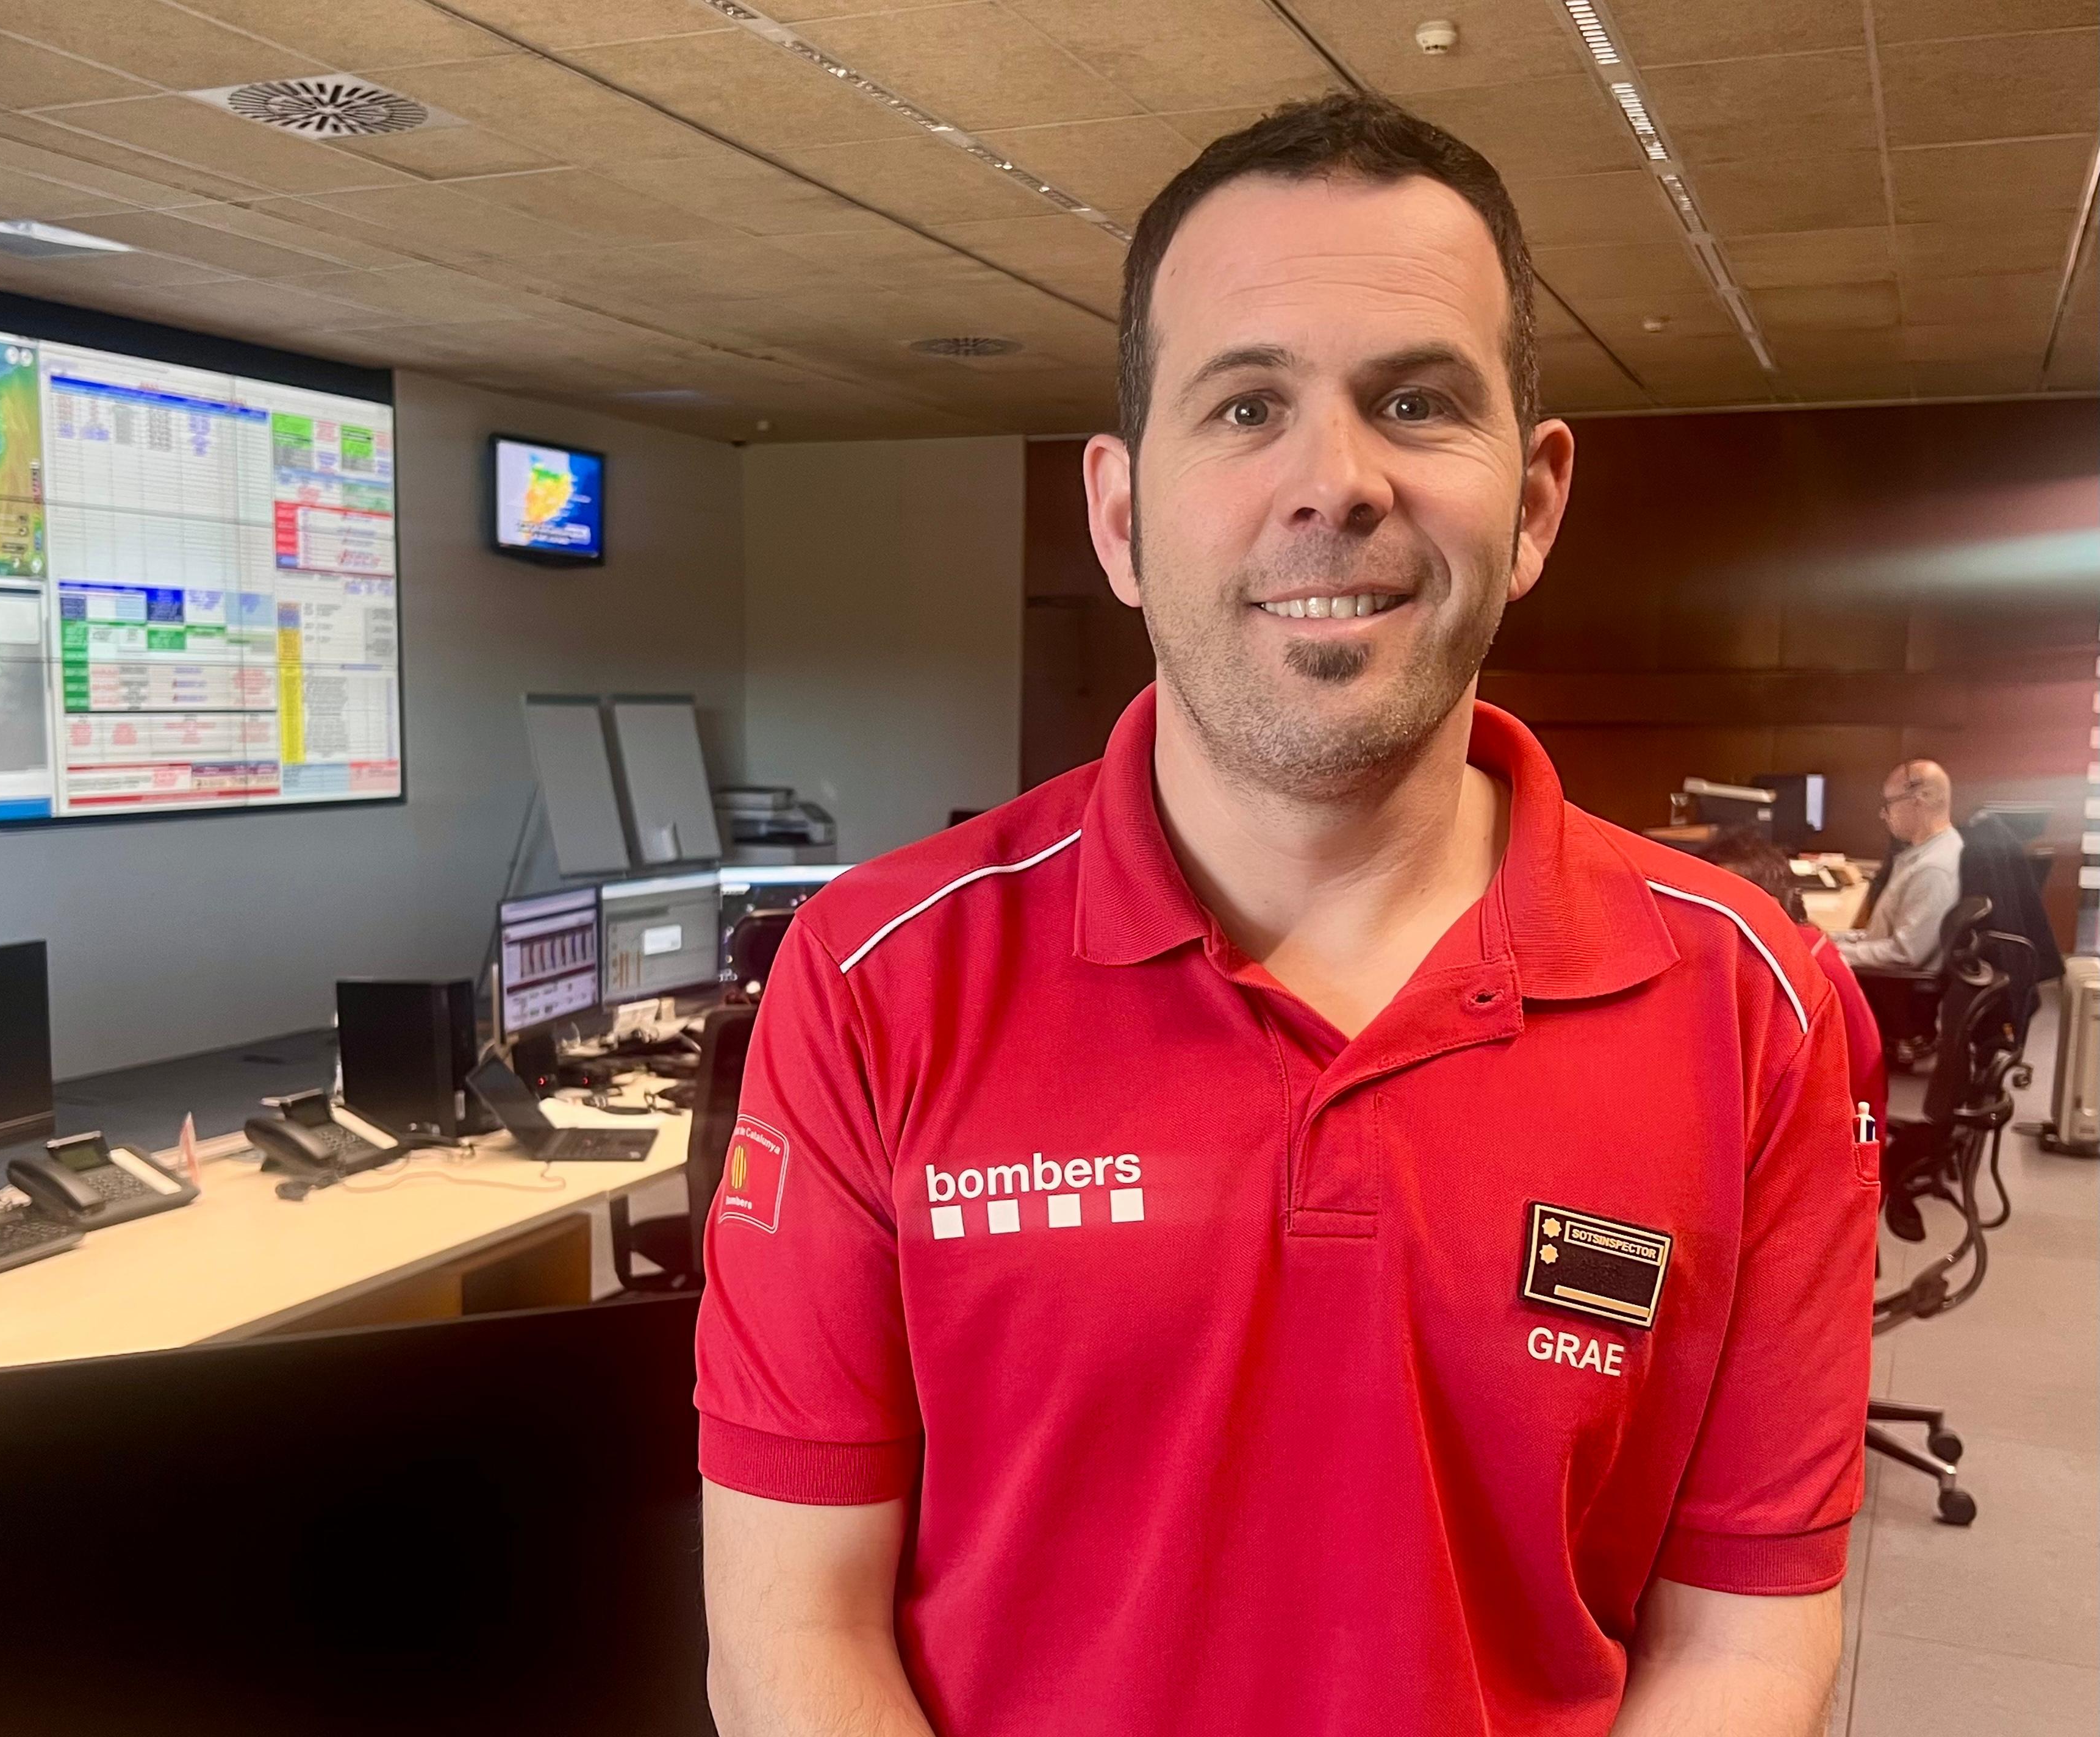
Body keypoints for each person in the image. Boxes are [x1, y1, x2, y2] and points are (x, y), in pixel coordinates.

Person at [697, 94, 1874, 1737]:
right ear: (1120, 516)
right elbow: (790, 1635)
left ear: (1533, 506)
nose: (1335, 480)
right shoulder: (874, 979)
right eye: (1247, 405)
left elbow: (1745, 1645)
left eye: (1415, 401)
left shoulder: (1759, 1008)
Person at [1700, 829, 1888, 1119]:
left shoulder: (1789, 967)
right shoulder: (1803, 941)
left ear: (1769, 905)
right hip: (1854, 1109)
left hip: (1839, 1123)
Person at [1835, 761, 1963, 972]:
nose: (1884, 814)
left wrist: (1829, 953)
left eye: (1890, 803)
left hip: (1892, 985)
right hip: (1886, 974)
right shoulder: (1927, 853)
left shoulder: (1933, 869)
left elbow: (1904, 954)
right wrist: (1827, 940)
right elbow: (1881, 937)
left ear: (1918, 801)